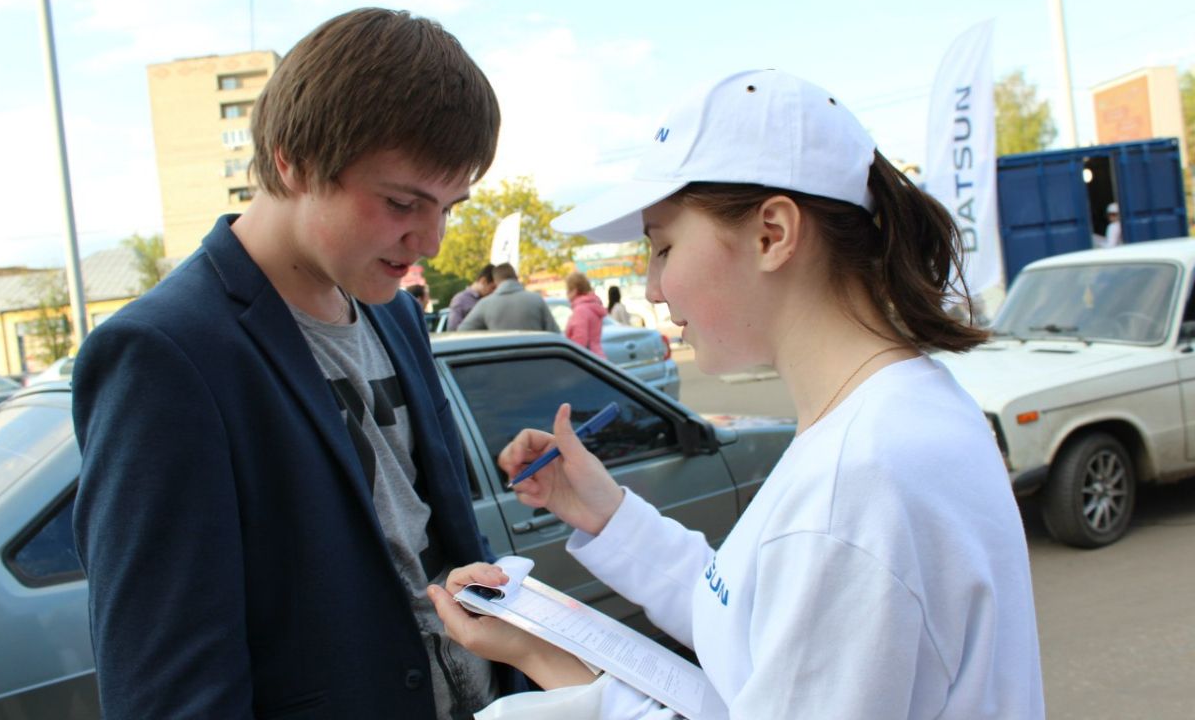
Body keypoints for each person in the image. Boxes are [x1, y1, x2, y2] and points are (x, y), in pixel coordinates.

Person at [429, 70, 1045, 718]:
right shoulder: (891, 415)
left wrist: (557, 683)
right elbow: (746, 622)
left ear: (772, 235)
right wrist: (603, 520)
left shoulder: (858, 482)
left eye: (663, 245)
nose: (653, 286)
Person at [71, 8, 524, 719]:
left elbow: (436, 535)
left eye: (450, 208)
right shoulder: (163, 355)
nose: (432, 240)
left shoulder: (397, 314)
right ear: (293, 159)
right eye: (403, 202)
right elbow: (170, 688)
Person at [457, 262, 560, 332]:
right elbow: (555, 334)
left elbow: (461, 332)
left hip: (501, 363)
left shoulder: (485, 304)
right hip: (538, 361)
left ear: (496, 281)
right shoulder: (537, 300)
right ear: (516, 277)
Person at [564, 271, 607, 357]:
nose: (566, 294)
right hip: (597, 356)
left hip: (587, 360)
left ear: (575, 290)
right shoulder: (591, 306)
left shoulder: (580, 310)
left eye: (568, 290)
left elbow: (579, 343)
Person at [446, 263, 496, 330]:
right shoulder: (460, 300)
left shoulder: (490, 300)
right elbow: (453, 329)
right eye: (492, 288)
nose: (494, 292)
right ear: (483, 281)